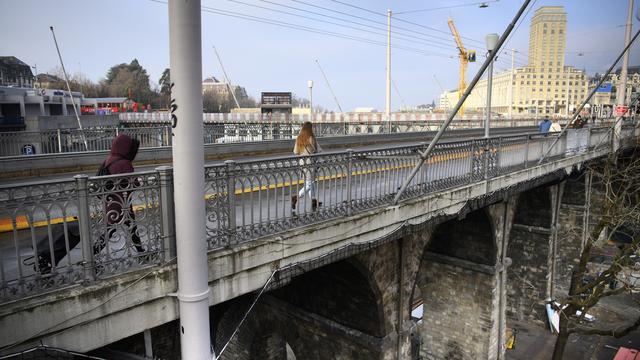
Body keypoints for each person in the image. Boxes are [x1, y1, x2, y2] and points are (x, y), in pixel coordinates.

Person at [96, 134, 145, 256]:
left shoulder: (108, 159)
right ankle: (93, 253)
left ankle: (141, 252)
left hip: (111, 201)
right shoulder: (125, 163)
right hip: (122, 203)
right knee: (112, 230)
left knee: (129, 228)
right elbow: (132, 184)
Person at [292, 122, 322, 212]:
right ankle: (296, 197)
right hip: (310, 163)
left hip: (302, 163)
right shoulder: (311, 138)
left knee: (309, 182)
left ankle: (313, 200)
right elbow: (317, 150)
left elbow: (295, 152)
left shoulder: (299, 138)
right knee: (309, 183)